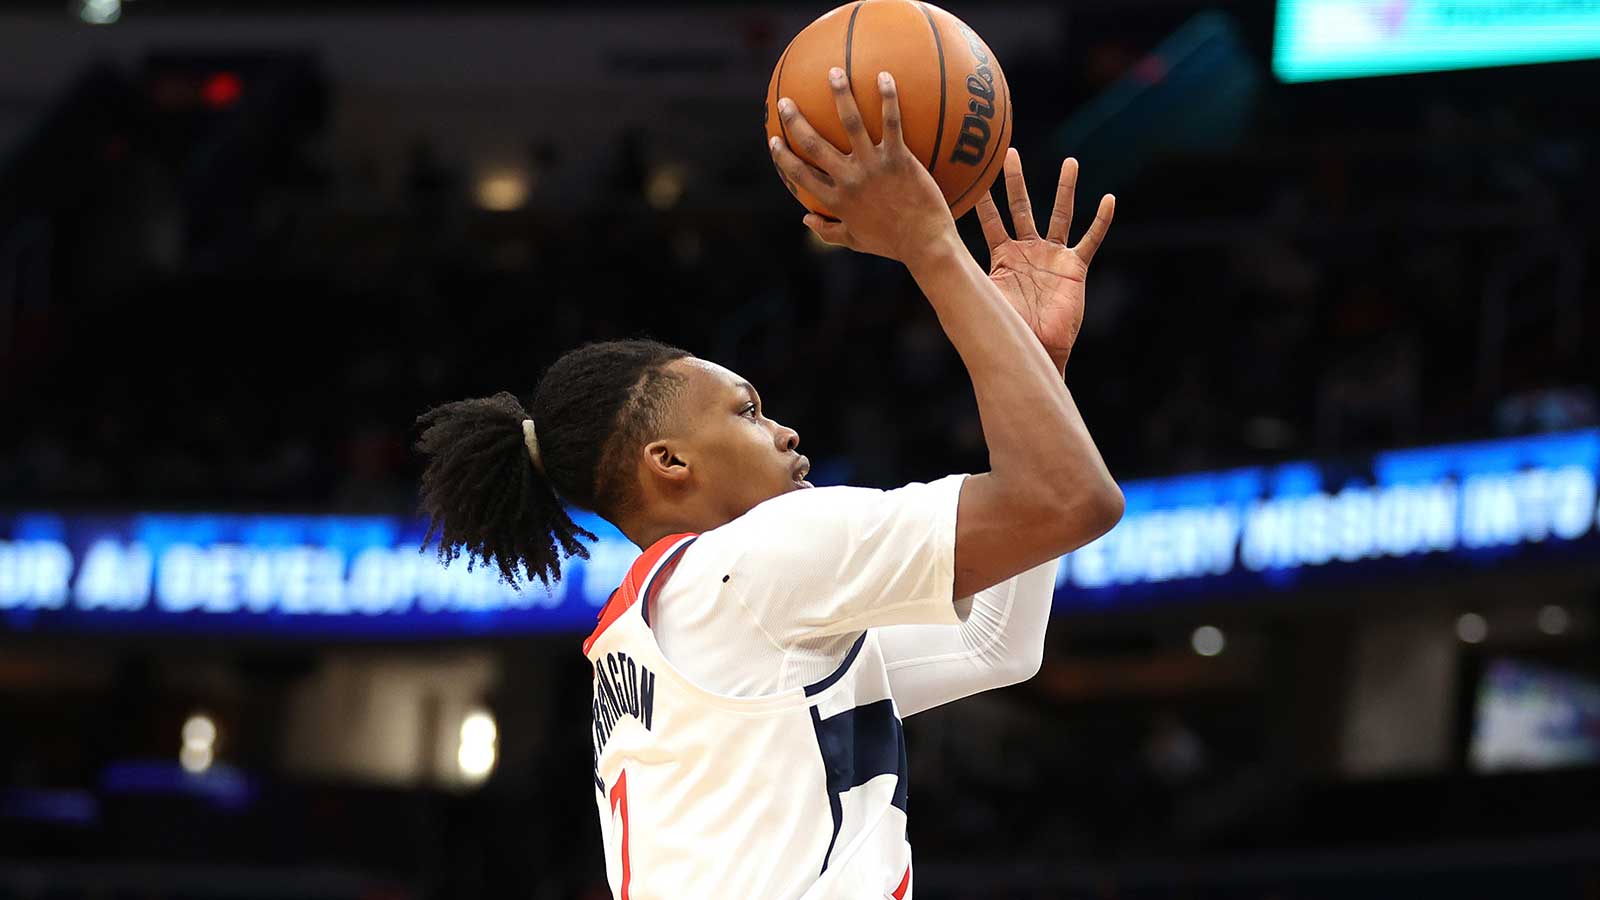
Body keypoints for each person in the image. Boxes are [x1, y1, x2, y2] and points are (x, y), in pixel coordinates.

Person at [415, 68, 1121, 900]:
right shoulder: (753, 565)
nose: (785, 430)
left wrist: (1031, 363)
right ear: (669, 462)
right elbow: (1069, 501)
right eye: (747, 411)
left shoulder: (691, 615)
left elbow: (991, 644)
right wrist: (930, 245)